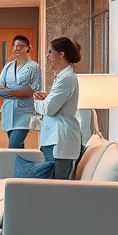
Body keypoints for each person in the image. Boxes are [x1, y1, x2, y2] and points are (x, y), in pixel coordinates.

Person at [33, 37, 82, 180]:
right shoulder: (61, 76)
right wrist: (47, 99)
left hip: (61, 139)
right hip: (53, 138)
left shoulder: (67, 78)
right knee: (51, 187)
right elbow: (52, 104)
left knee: (58, 188)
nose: (47, 56)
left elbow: (49, 109)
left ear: (61, 54)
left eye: (50, 52)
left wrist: (36, 102)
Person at [0, 35, 41, 149]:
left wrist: (7, 91)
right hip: (8, 110)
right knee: (16, 145)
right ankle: (19, 166)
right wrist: (17, 92)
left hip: (24, 111)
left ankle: (17, 166)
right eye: (14, 46)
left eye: (20, 46)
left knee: (14, 144)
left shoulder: (34, 67)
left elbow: (32, 90)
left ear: (27, 48)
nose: (16, 48)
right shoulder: (8, 66)